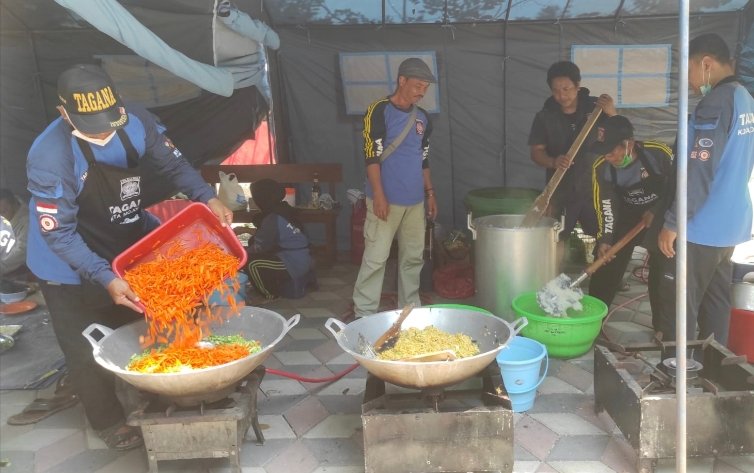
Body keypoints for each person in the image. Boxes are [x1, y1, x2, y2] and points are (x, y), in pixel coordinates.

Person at [25, 64, 233, 451]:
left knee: (151, 324)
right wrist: (104, 277)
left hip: (122, 242)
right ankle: (108, 421)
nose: (105, 131)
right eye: (93, 125)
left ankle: (162, 395)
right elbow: (61, 234)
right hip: (65, 261)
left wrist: (205, 195)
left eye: (110, 121)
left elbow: (173, 165)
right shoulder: (50, 156)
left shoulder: (135, 120)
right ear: (64, 113)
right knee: (86, 348)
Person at [658, 33, 754, 348]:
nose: (689, 83)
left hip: (701, 228)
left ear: (707, 63)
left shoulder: (716, 102)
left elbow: (700, 170)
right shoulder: (745, 99)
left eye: (689, 73)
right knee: (716, 307)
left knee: (680, 308)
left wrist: (673, 222)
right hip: (731, 226)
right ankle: (713, 372)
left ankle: (678, 378)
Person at [352, 57, 439, 317]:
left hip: (415, 202)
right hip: (385, 200)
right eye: (418, 84)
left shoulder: (423, 118)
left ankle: (408, 311)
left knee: (413, 258)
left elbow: (424, 158)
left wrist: (430, 194)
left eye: (426, 86)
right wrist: (378, 195)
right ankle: (363, 313)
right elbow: (371, 155)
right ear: (402, 80)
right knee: (376, 258)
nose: (422, 91)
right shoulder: (378, 110)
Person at [588, 115, 674, 332]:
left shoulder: (657, 153)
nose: (608, 156)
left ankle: (663, 328)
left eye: (613, 150)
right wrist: (605, 239)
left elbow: (678, 186)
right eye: (604, 151)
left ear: (630, 144)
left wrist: (656, 211)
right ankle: (591, 323)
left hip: (663, 215)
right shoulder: (602, 167)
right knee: (605, 263)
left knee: (663, 268)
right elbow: (605, 204)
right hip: (626, 216)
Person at [528, 61, 617, 248]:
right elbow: (536, 152)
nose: (561, 95)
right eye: (556, 90)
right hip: (560, 190)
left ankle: (601, 274)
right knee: (555, 240)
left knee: (606, 239)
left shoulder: (597, 109)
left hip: (596, 188)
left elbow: (622, 139)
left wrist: (612, 114)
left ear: (577, 86)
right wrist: (553, 161)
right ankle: (554, 275)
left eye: (566, 89)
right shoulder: (545, 117)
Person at [245, 178, 313, 302]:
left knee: (251, 263)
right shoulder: (284, 209)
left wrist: (238, 254)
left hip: (293, 262)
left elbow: (259, 247)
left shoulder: (272, 218)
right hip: (302, 257)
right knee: (253, 251)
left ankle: (269, 295)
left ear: (262, 198)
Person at [0, 188, 29, 278]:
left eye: (4, 211)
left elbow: (21, 252)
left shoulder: (27, 222)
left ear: (14, 204)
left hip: (19, 271)